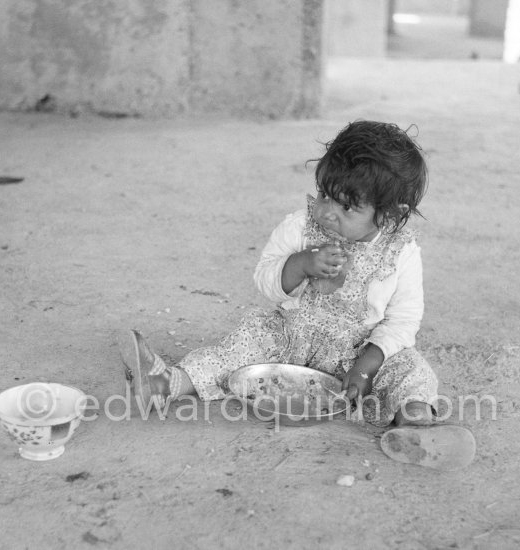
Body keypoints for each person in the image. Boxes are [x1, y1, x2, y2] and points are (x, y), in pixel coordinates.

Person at [117, 120, 476, 471]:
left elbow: (403, 321)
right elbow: (265, 280)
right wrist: (300, 265)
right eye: (324, 195)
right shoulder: (301, 226)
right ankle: (168, 384)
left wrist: (368, 365)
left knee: (412, 369)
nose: (327, 212)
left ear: (388, 216)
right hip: (292, 337)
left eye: (347, 207)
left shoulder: (402, 253)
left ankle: (414, 423)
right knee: (245, 343)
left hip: (358, 351)